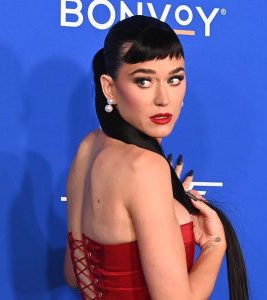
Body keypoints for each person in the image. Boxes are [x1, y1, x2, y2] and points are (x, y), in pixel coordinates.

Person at [64, 16, 249, 300]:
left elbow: (75, 275)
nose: (163, 98)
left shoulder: (89, 147)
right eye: (144, 81)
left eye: (174, 79)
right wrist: (214, 244)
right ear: (109, 88)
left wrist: (167, 204)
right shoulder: (145, 169)